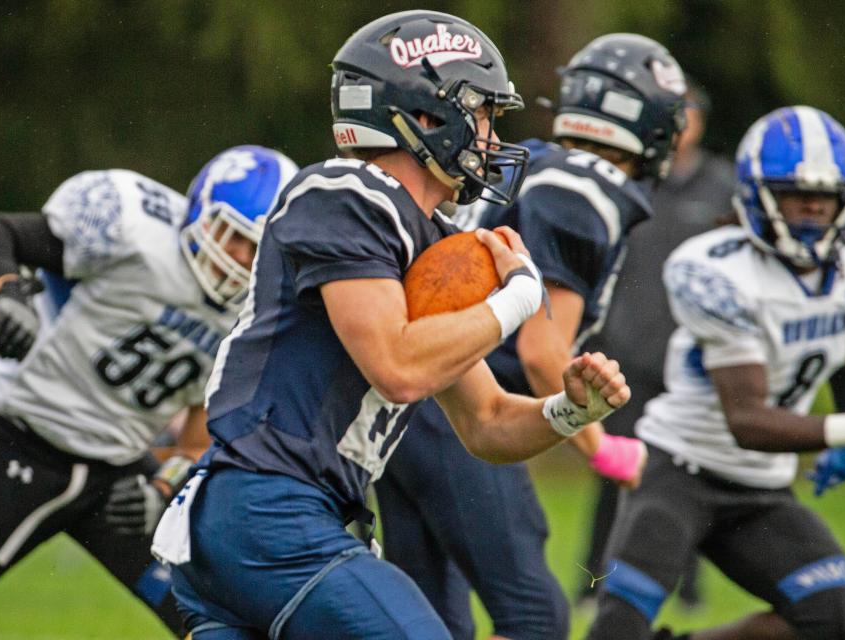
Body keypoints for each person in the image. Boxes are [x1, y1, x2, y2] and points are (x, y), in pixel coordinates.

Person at [152, 11, 631, 640]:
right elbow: (399, 367)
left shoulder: (429, 243)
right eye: (483, 115)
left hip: (288, 518)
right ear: (428, 118)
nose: (491, 138)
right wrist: (516, 299)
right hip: (267, 511)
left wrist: (568, 410)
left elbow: (485, 423)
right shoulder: (346, 193)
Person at [374, 33, 686, 640]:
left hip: (408, 409)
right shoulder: (582, 190)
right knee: (535, 617)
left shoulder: (540, 162)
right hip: (462, 411)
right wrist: (601, 448)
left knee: (431, 621)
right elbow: (544, 351)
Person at [586, 106, 845, 640]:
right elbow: (747, 420)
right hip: (680, 468)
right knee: (618, 629)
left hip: (760, 486)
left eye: (825, 197)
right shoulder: (715, 271)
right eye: (795, 195)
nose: (812, 209)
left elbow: (843, 330)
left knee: (832, 617)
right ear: (757, 196)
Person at [0, 144, 297, 635]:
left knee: (216, 615)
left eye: (256, 248)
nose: (237, 260)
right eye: (230, 236)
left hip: (120, 476)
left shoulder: (258, 311)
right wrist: (8, 291)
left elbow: (199, 437)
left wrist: (162, 487)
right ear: (198, 211)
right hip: (18, 439)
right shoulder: (132, 229)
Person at [577, 78, 734, 610]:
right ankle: (593, 578)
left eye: (688, 112)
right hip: (629, 353)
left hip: (694, 360)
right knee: (615, 469)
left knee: (689, 472)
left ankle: (686, 586)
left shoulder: (721, 186)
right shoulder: (634, 180)